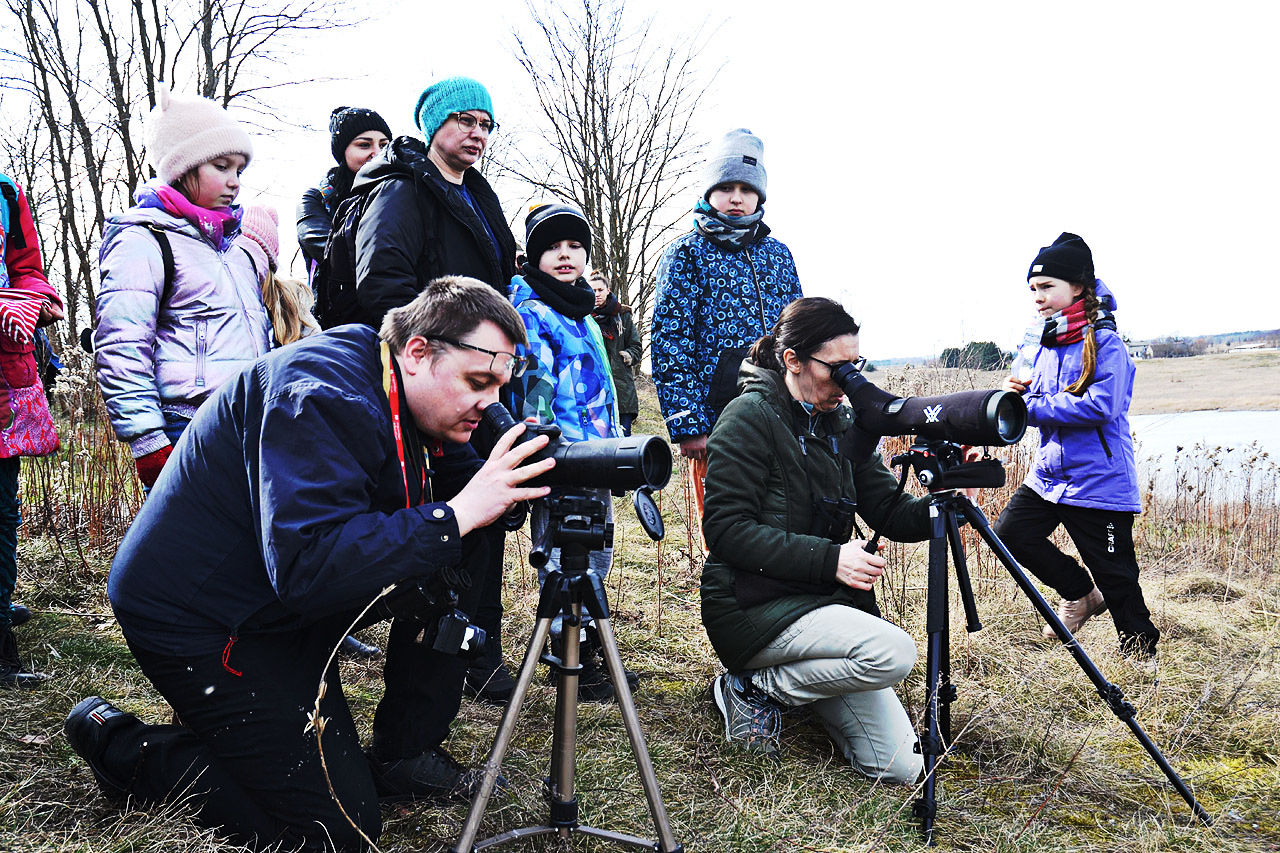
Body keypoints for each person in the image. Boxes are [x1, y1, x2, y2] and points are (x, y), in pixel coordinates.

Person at [64, 277, 554, 853]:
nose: (489, 403)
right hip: (206, 619)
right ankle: (121, 743)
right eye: (478, 381)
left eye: (500, 387)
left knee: (344, 796)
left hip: (280, 613)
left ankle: (305, 739)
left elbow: (461, 503)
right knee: (333, 835)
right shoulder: (321, 394)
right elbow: (309, 563)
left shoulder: (407, 394)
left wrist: (514, 480)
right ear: (418, 350)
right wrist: (458, 513)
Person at [700, 296, 929, 782]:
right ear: (793, 360)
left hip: (821, 605)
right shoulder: (748, 418)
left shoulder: (841, 425)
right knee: (891, 652)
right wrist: (831, 560)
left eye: (857, 366)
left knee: (903, 767)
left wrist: (947, 498)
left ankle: (785, 684)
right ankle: (757, 690)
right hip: (751, 605)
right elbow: (724, 532)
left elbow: (892, 512)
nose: (848, 383)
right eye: (838, 368)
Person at [348, 76, 519, 703]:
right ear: (433, 124)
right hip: (425, 385)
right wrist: (439, 362)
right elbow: (382, 288)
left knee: (491, 510)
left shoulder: (479, 197)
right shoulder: (399, 192)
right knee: (454, 516)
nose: (476, 134)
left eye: (486, 124)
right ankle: (440, 670)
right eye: (465, 120)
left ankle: (477, 653)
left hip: (479, 380)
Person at [94, 85, 272, 491]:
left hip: (248, 423)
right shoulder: (144, 238)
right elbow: (122, 341)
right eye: (221, 166)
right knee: (196, 552)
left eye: (239, 170)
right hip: (187, 426)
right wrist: (149, 441)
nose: (235, 182)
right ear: (183, 168)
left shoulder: (236, 249)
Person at [994, 233, 1159, 660]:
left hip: (1099, 480)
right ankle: (1081, 593)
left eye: (1047, 287)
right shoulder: (1037, 344)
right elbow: (1023, 399)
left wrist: (1030, 405)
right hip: (1050, 476)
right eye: (1033, 288)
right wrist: (1011, 397)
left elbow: (1100, 407)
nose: (1037, 297)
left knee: (1118, 576)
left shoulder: (1107, 344)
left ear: (1079, 288)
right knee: (1010, 534)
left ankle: (1140, 659)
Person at [508, 204, 634, 701]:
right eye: (553, 248)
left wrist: (617, 439)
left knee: (596, 549)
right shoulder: (531, 309)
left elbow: (600, 383)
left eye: (575, 246)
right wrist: (545, 443)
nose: (565, 255)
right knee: (563, 552)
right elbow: (534, 385)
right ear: (534, 257)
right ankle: (567, 650)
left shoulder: (581, 308)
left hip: (598, 452)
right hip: (562, 456)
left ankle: (587, 641)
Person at [651, 128, 802, 534]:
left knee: (780, 518)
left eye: (746, 189)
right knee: (726, 527)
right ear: (709, 191)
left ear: (759, 196)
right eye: (726, 187)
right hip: (716, 420)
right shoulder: (686, 253)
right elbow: (670, 342)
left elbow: (800, 333)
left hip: (780, 412)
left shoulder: (779, 255)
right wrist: (688, 423)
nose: (736, 198)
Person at [0, 172, 63, 687]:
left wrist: (27, 300)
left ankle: (1, 637)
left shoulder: (6, 194)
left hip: (5, 378)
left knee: (2, 509)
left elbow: (29, 270)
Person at [295, 106, 392, 285]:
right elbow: (332, 256)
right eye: (364, 145)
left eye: (384, 145)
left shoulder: (400, 193)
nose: (377, 153)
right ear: (343, 152)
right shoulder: (316, 200)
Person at [588, 269, 641, 436]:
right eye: (593, 290)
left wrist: (629, 355)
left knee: (624, 445)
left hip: (622, 391)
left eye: (600, 290)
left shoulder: (622, 316)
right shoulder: (582, 317)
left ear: (608, 291)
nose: (596, 294)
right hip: (593, 392)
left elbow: (636, 347)